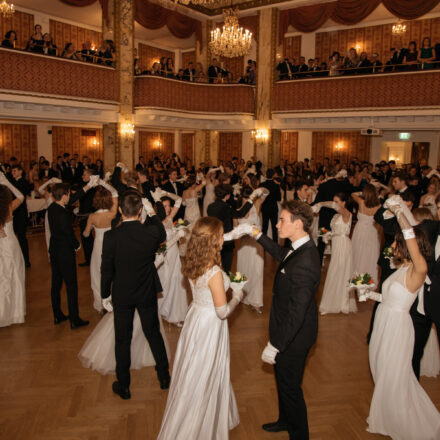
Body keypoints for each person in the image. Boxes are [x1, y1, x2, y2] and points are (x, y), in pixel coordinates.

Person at [158, 217, 243, 439]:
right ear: (213, 240)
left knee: (194, 370)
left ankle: (210, 413)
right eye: (221, 235)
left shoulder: (193, 260)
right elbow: (222, 312)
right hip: (210, 325)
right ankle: (196, 425)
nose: (224, 238)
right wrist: (238, 294)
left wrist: (241, 232)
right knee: (206, 371)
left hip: (195, 317)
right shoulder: (214, 272)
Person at [367, 198, 440, 439]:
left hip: (398, 328)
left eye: (398, 242)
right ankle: (388, 413)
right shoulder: (401, 268)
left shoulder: (419, 269)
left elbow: (409, 235)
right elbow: (390, 299)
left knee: (395, 375)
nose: (394, 245)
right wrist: (370, 294)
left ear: (411, 247)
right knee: (381, 370)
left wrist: (400, 210)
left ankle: (402, 419)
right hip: (384, 324)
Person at [249, 200, 321, 440]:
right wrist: (257, 234)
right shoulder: (296, 246)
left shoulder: (307, 261)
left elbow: (297, 312)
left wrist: (276, 344)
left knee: (291, 388)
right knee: (283, 381)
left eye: (282, 220)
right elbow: (281, 255)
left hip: (294, 337)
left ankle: (299, 434)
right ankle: (284, 421)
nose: (277, 224)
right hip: (286, 329)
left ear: (298, 224)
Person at [100, 191, 170, 399]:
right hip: (146, 290)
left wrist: (105, 295)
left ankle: (124, 385)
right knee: (153, 333)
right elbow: (162, 232)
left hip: (122, 293)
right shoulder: (150, 233)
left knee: (122, 339)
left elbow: (106, 269)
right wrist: (152, 211)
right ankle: (164, 378)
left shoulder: (111, 236)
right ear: (140, 211)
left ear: (120, 210)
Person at [48, 183, 89, 329]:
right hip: (65, 252)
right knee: (71, 285)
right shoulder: (63, 213)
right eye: (69, 195)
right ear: (64, 195)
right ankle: (74, 319)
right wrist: (77, 244)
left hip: (54, 250)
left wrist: (87, 187)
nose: (70, 197)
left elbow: (60, 231)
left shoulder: (52, 208)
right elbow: (68, 233)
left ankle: (57, 314)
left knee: (56, 283)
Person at [316, 194, 355, 314]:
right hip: (337, 245)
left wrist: (320, 204)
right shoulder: (336, 215)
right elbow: (335, 231)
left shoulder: (346, 213)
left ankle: (337, 304)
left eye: (337, 201)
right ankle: (333, 302)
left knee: (339, 273)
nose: (334, 203)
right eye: (334, 201)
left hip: (343, 246)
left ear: (344, 203)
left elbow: (332, 206)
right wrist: (327, 235)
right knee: (335, 272)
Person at [83, 181, 118, 313]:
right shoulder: (112, 213)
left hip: (98, 247)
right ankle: (113, 301)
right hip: (111, 246)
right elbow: (115, 192)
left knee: (97, 275)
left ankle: (100, 304)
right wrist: (103, 182)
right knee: (113, 273)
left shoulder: (92, 216)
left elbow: (86, 235)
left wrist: (91, 228)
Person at [207, 184, 254, 273]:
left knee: (214, 267)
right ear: (227, 195)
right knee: (226, 268)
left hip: (213, 240)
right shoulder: (226, 207)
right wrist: (250, 201)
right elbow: (241, 214)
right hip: (226, 241)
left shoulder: (210, 207)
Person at [237, 186, 268, 313]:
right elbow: (235, 230)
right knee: (243, 270)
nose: (247, 202)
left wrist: (258, 190)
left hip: (256, 245)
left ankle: (256, 301)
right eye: (246, 199)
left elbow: (266, 192)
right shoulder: (238, 210)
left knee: (257, 271)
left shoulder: (257, 205)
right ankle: (240, 295)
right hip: (244, 245)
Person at [0, 174, 26, 327]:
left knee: (3, 276)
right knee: (15, 275)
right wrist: (6, 183)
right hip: (11, 244)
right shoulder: (9, 207)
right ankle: (14, 312)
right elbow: (21, 196)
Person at [351, 184, 381, 284]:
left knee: (358, 253)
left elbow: (352, 194)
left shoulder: (361, 201)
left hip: (360, 231)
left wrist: (362, 193)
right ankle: (368, 280)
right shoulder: (378, 205)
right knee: (369, 256)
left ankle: (357, 277)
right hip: (372, 231)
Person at [10, 165, 31, 267]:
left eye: (14, 171)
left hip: (21, 214)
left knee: (22, 237)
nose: (12, 173)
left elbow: (21, 195)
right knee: (12, 236)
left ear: (20, 171)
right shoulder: (12, 182)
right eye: (12, 171)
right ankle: (15, 258)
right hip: (12, 213)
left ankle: (26, 260)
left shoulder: (24, 182)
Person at [260, 168, 282, 243]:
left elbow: (259, 197)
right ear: (273, 176)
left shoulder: (262, 184)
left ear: (266, 175)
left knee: (264, 227)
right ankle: (275, 244)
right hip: (273, 208)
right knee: (274, 228)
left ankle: (263, 243)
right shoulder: (276, 186)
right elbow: (279, 198)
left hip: (265, 208)